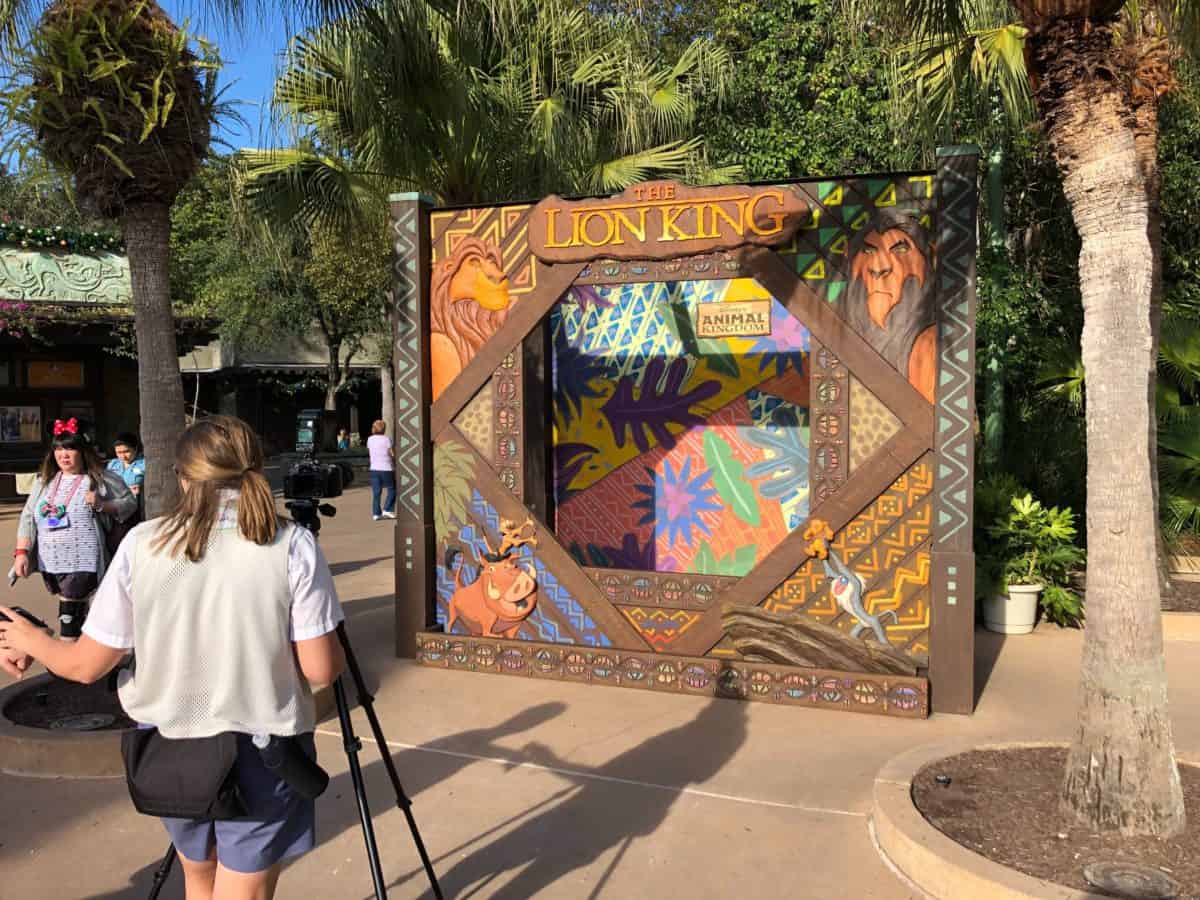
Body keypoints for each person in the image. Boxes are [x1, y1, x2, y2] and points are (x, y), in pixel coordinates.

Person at [0, 415, 346, 900]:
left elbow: (85, 665)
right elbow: (322, 670)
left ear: (183, 477)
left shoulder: (144, 543)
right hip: (262, 750)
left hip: (167, 749)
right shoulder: (292, 545)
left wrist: (30, 638)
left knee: (199, 877)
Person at [11, 418, 137, 639]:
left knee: (69, 612)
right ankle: (85, 645)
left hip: (84, 559)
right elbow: (29, 517)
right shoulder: (44, 482)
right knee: (75, 608)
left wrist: (102, 504)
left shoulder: (101, 479)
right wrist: (21, 553)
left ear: (83, 451)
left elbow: (129, 503)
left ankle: (69, 648)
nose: (64, 455)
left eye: (70, 449)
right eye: (59, 449)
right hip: (50, 561)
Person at [838, 209, 937, 404]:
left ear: (931, 257)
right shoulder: (838, 335)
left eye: (900, 250)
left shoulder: (932, 344)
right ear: (849, 255)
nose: (879, 267)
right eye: (868, 251)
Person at [366, 419, 395, 522]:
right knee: (392, 489)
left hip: (374, 468)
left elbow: (371, 451)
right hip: (386, 468)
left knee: (376, 492)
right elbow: (391, 453)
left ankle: (376, 514)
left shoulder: (369, 439)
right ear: (384, 429)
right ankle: (387, 509)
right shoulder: (387, 439)